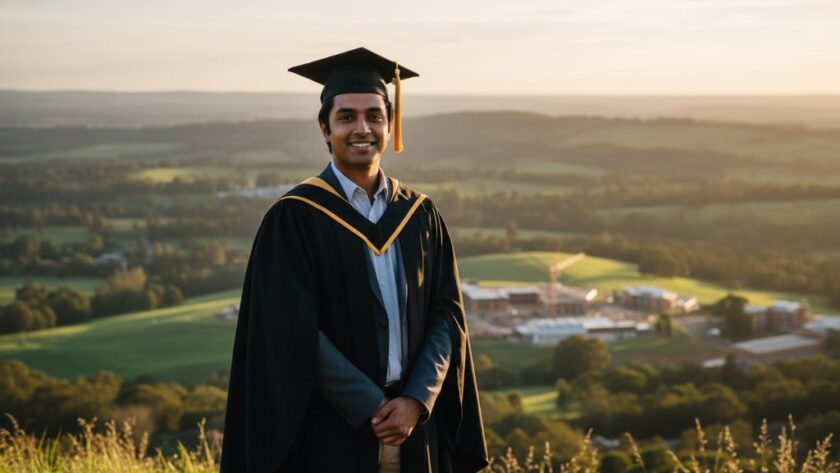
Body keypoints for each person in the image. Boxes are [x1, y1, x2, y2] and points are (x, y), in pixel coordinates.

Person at [220, 47, 488, 473]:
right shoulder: (296, 217)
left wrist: (417, 400)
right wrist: (371, 407)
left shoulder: (420, 215)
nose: (361, 128)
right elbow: (291, 330)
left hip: (417, 431)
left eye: (374, 116)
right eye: (346, 117)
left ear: (390, 124)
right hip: (330, 434)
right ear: (324, 128)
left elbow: (446, 316)